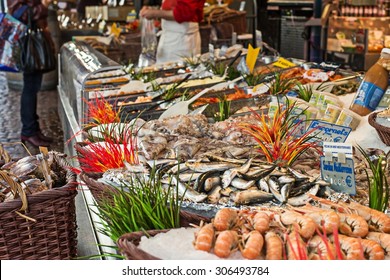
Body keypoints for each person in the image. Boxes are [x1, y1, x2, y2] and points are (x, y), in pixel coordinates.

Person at [8, 0, 53, 147]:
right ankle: (28, 132)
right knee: (30, 88)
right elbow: (18, 12)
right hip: (29, 43)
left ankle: (33, 129)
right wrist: (44, 6)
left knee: (33, 87)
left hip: (32, 39)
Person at [140, 0, 206, 64]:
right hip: (175, 38)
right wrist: (152, 10)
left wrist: (154, 13)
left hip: (181, 41)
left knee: (176, 72)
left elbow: (183, 13)